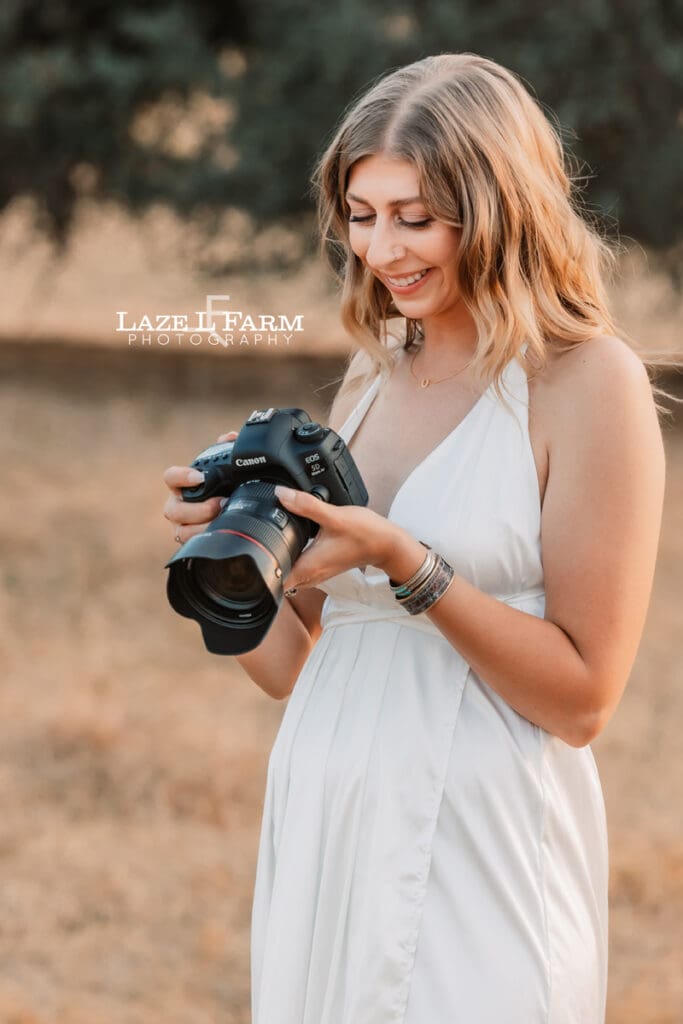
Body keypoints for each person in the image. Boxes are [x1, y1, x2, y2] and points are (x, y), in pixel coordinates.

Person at [163, 53, 666, 1024]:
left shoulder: (582, 382)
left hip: (480, 835)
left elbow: (583, 697)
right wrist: (221, 561)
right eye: (361, 215)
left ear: (496, 209)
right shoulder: (370, 376)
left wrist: (407, 564)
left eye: (414, 217)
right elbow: (293, 666)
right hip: (328, 821)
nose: (381, 249)